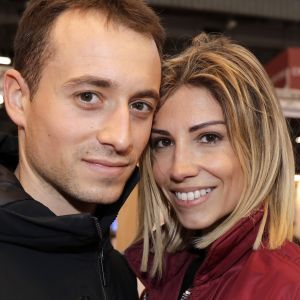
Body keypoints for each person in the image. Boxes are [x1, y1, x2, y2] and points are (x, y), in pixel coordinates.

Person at [1, 0, 164, 299]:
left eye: (140, 105)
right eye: (88, 97)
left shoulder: (121, 276)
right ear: (18, 99)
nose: (121, 137)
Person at [125, 33, 300, 299]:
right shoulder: (166, 272)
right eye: (163, 142)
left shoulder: (289, 286)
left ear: (258, 148)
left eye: (209, 138)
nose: (179, 169)